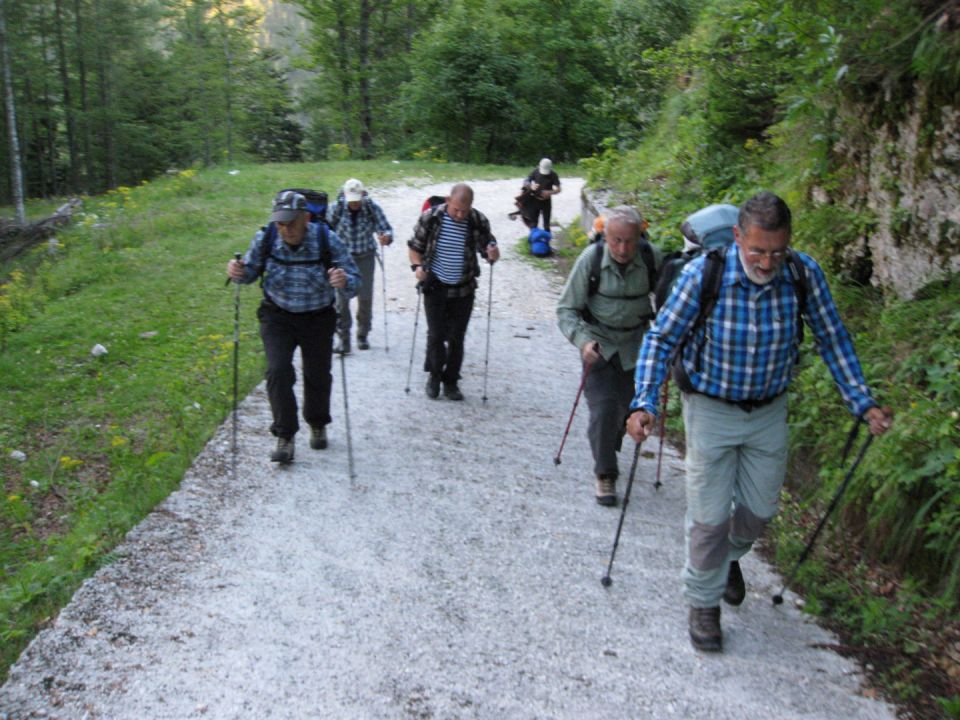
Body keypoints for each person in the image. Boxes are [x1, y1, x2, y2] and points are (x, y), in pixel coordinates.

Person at [625, 191, 894, 653]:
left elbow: (833, 339)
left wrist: (861, 402)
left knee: (759, 512)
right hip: (710, 409)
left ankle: (726, 558)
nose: (767, 262)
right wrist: (644, 402)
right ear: (737, 238)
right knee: (709, 518)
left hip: (769, 410)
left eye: (776, 251)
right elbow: (661, 338)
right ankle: (704, 603)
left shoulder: (802, 273)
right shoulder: (703, 274)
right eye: (757, 250)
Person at [227, 190, 361, 464]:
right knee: (278, 371)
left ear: (306, 218)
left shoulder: (326, 239)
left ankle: (317, 422)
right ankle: (285, 436)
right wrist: (237, 272)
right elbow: (250, 273)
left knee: (317, 374)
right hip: (278, 315)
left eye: (290, 222)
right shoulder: (266, 237)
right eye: (280, 222)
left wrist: (343, 279)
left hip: (318, 317)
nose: (285, 228)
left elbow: (355, 281)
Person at [557, 206, 662, 507]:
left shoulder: (653, 258)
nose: (622, 248)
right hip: (600, 347)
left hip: (637, 346)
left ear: (639, 238)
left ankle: (610, 441)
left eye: (629, 241)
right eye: (615, 240)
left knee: (629, 411)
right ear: (605, 236)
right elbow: (566, 309)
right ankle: (605, 474)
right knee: (603, 410)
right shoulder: (590, 261)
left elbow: (670, 299)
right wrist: (583, 340)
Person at [408, 183, 500, 401]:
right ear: (448, 201)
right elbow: (414, 249)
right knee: (436, 335)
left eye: (464, 211)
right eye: (456, 209)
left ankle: (451, 381)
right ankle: (434, 375)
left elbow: (490, 252)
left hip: (464, 288)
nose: (460, 215)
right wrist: (418, 267)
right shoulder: (431, 218)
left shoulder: (477, 220)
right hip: (435, 285)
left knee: (457, 337)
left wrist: (493, 253)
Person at [327, 178, 393, 353]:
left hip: (365, 257)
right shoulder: (336, 208)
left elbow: (385, 227)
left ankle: (363, 334)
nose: (355, 203)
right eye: (352, 200)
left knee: (364, 298)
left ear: (363, 195)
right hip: (343, 259)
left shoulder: (371, 207)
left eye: (357, 199)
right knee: (341, 300)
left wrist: (385, 236)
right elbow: (325, 229)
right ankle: (344, 339)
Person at [523, 158, 561, 230]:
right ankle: (534, 239)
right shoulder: (535, 171)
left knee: (546, 225)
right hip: (534, 200)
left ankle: (546, 239)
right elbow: (525, 181)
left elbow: (559, 189)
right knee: (533, 224)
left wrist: (550, 192)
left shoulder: (553, 174)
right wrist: (531, 186)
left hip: (546, 202)